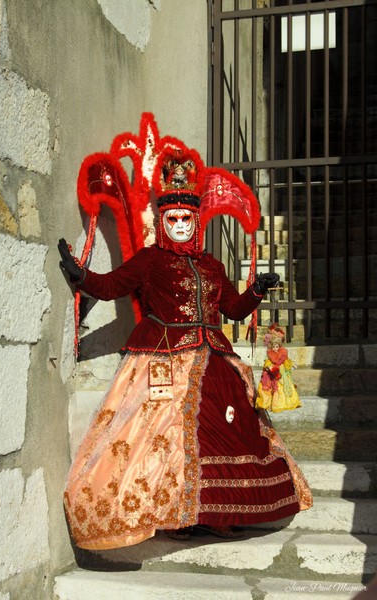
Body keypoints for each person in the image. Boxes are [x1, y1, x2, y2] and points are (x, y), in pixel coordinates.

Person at [59, 126, 312, 551]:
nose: (178, 225)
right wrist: (80, 275)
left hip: (214, 357)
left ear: (196, 222)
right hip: (165, 358)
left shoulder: (211, 266)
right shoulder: (150, 261)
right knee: (168, 439)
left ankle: (222, 512)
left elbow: (232, 310)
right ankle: (176, 512)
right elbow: (110, 286)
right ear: (163, 221)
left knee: (229, 430)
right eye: (171, 219)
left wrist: (257, 290)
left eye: (186, 219)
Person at [255, 324, 301, 412]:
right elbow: (268, 364)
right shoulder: (270, 355)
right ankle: (270, 402)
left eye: (277, 347)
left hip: (281, 373)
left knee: (282, 386)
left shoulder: (283, 354)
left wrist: (292, 364)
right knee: (270, 386)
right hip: (272, 374)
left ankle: (282, 402)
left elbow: (287, 361)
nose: (275, 349)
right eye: (274, 347)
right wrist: (269, 368)